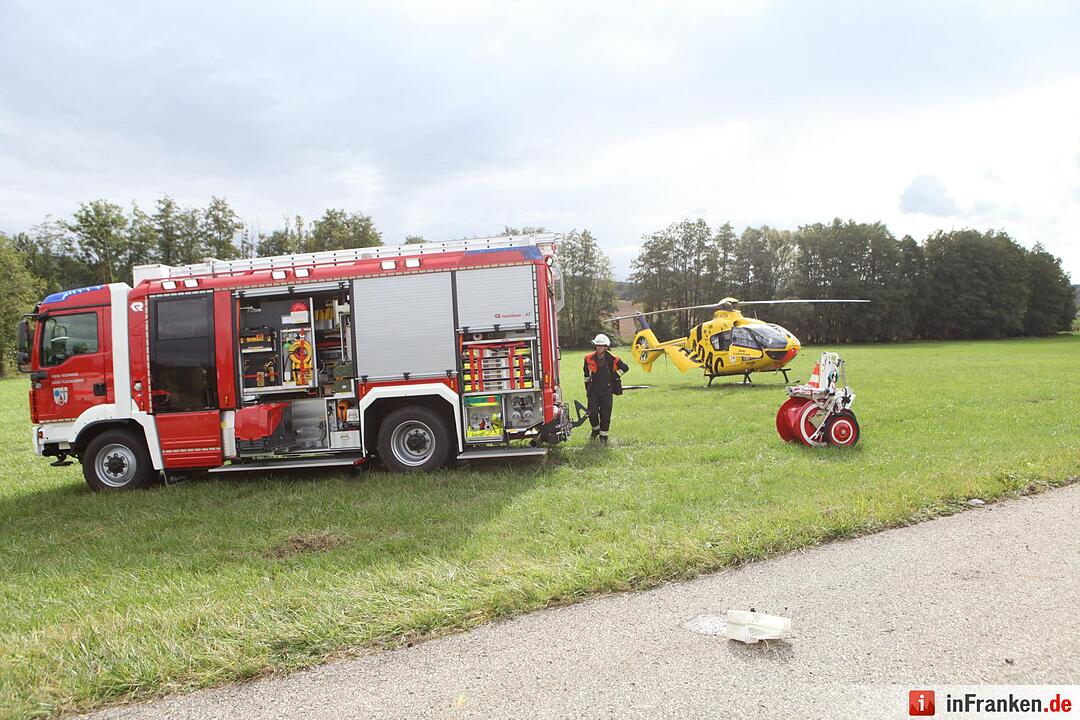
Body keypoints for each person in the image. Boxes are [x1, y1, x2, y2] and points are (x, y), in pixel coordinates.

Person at [583, 333, 629, 445]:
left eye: (602, 345)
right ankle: (595, 430)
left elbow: (625, 368)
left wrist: (616, 376)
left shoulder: (613, 359)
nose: (599, 347)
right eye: (598, 345)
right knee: (592, 413)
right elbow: (586, 375)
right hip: (594, 390)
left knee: (605, 415)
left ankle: (604, 436)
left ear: (606, 347)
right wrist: (587, 389)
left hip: (607, 390)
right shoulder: (588, 358)